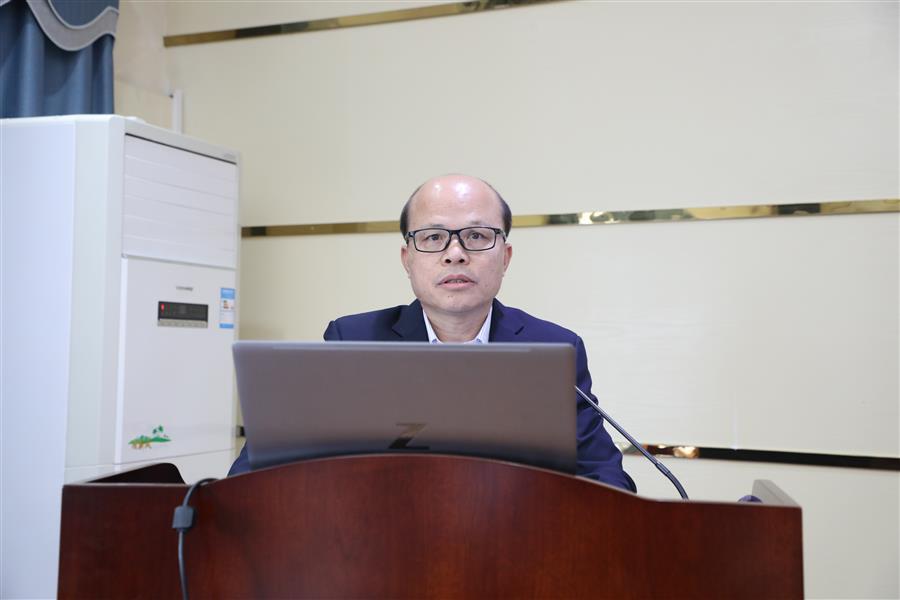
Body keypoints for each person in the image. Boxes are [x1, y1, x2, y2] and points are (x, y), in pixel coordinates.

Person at [229, 174, 636, 493]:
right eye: (433, 237)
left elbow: (602, 474)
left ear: (505, 257)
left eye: (477, 236)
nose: (455, 253)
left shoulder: (553, 347)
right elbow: (266, 468)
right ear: (407, 259)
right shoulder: (353, 339)